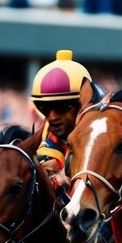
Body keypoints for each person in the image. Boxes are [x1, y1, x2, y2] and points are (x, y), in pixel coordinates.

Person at [31, 49, 94, 190]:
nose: (52, 117)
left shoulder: (100, 138)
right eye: (45, 108)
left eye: (61, 107)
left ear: (83, 105)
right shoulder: (43, 143)